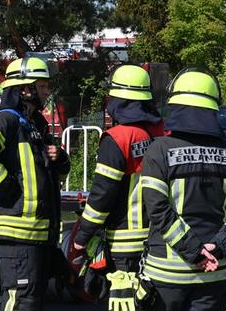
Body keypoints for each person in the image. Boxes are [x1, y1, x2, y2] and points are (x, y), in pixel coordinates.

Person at [138, 69, 226, 310]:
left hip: (168, 274)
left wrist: (194, 251)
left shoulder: (159, 151)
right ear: (214, 108)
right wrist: (219, 245)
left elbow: (158, 210)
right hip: (216, 272)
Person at [0, 56, 71, 311]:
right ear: (25, 89)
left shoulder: (35, 125)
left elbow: (56, 170)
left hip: (37, 233)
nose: (46, 91)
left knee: (32, 302)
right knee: (20, 303)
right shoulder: (8, 120)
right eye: (42, 86)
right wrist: (7, 186)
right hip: (17, 234)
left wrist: (60, 157)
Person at [70, 65, 165, 310]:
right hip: (163, 240)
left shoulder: (118, 138)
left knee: (126, 303)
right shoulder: (165, 134)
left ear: (119, 101)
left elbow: (102, 196)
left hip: (126, 245)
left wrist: (82, 238)